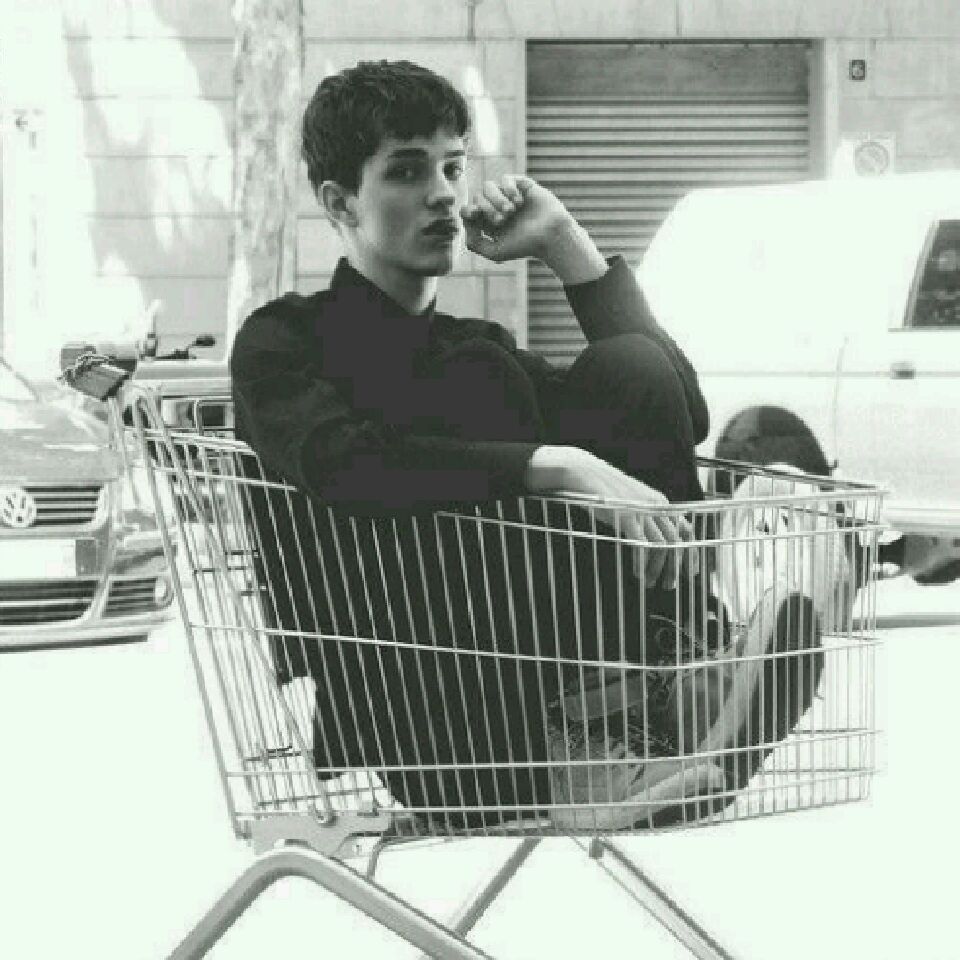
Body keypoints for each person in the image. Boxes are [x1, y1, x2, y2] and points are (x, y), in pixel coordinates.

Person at [230, 59, 819, 830]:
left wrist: (566, 247)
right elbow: (343, 462)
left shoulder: (474, 344)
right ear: (340, 202)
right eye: (407, 171)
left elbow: (679, 408)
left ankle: (665, 690)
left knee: (626, 366)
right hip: (427, 716)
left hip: (561, 687)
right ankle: (617, 726)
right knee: (482, 382)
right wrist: (557, 464)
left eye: (452, 167)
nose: (443, 193)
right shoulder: (284, 341)